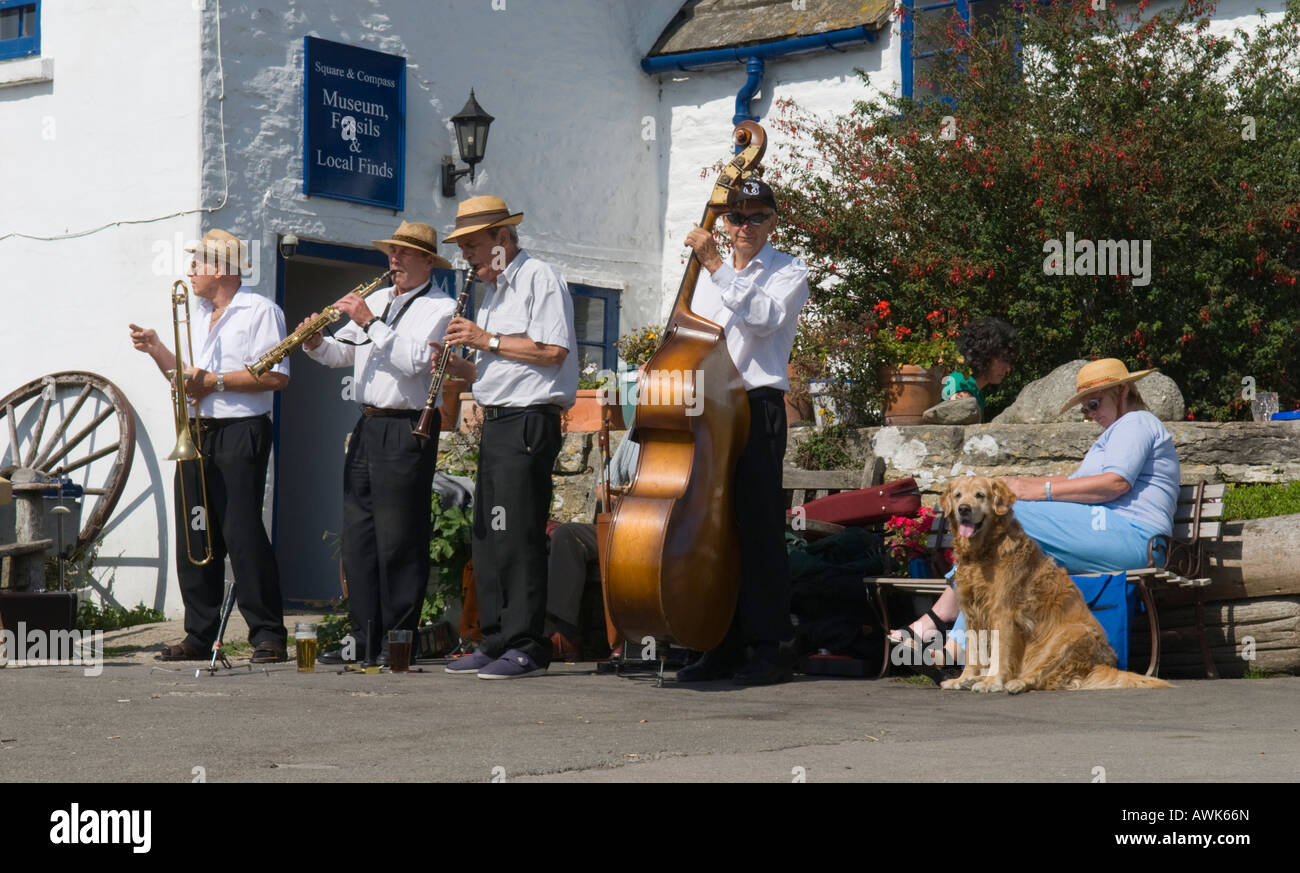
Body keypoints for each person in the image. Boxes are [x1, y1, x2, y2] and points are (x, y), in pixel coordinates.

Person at [894, 358, 1181, 654]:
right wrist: (1019, 484)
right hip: (1110, 534)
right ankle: (955, 647)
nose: (1090, 414)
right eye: (1085, 409)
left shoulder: (1136, 422)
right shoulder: (1118, 432)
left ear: (1122, 391)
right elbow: (1078, 483)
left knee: (1001, 518)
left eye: (1094, 404)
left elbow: (1115, 483)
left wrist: (1036, 490)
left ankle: (940, 618)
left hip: (1134, 538)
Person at [300, 221, 462, 665]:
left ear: (428, 261)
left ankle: (399, 642)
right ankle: (361, 639)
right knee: (360, 539)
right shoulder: (378, 300)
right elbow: (341, 355)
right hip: (369, 425)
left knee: (400, 540)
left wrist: (369, 321)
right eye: (392, 252)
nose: (394, 261)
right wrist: (314, 342)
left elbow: (414, 363)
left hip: (408, 427)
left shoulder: (441, 308)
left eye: (405, 254)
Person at [130, 229, 290, 663]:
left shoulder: (261, 311)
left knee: (241, 530)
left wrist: (214, 381)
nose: (190, 272)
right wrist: (157, 349)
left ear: (221, 268)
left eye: (198, 263)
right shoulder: (197, 315)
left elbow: (277, 376)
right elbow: (185, 379)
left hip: (241, 430)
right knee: (195, 530)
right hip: (198, 430)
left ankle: (268, 635)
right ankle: (199, 634)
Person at [674, 177, 811, 685]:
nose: (745, 226)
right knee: (714, 527)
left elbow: (763, 320)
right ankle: (721, 640)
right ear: (724, 221)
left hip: (755, 403)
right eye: (736, 217)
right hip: (707, 404)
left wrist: (714, 264)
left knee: (757, 527)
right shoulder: (702, 272)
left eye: (757, 217)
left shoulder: (788, 270)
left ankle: (771, 646)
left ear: (773, 221)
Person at [440, 196, 577, 679]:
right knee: (488, 534)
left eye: (474, 245)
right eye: (463, 248)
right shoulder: (494, 291)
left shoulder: (540, 277)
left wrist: (487, 341)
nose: (467, 256)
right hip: (498, 420)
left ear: (503, 238)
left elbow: (553, 351)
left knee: (517, 533)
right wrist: (467, 367)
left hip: (527, 422)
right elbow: (509, 361)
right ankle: (496, 638)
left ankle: (527, 645)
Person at [546, 427, 640, 660]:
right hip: (620, 530)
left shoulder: (685, 437)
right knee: (567, 535)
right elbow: (601, 491)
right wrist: (619, 493)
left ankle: (632, 641)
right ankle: (565, 637)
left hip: (656, 534)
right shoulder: (633, 435)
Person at [939, 317, 1018, 418]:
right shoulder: (962, 386)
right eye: (1004, 360)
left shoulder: (973, 389)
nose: (1008, 369)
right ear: (985, 354)